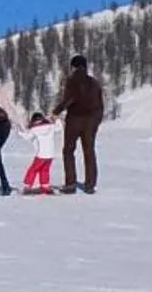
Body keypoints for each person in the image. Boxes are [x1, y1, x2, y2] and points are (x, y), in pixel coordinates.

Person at [55, 53, 106, 192]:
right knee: (89, 151)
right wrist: (96, 120)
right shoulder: (94, 82)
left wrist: (56, 112)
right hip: (91, 120)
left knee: (68, 150)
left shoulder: (72, 80)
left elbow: (69, 99)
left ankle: (70, 183)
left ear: (74, 67)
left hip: (75, 119)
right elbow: (100, 104)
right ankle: (90, 184)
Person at [22, 111, 61, 193]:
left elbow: (27, 137)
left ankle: (27, 185)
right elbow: (59, 128)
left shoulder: (34, 129)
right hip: (50, 154)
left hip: (40, 154)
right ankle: (45, 185)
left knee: (33, 169)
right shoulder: (50, 126)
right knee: (45, 170)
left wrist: (19, 131)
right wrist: (57, 119)